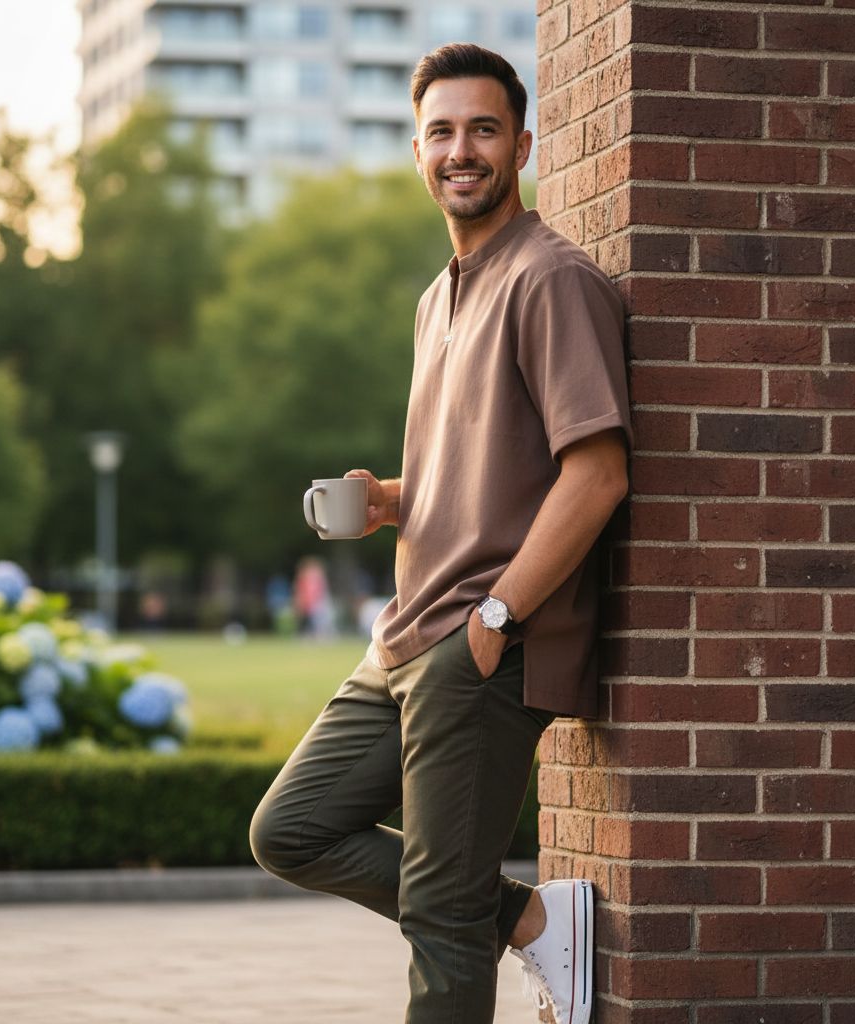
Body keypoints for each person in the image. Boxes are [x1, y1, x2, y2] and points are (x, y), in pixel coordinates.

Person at [250, 43, 632, 1024]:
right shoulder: (438, 297)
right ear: (419, 152)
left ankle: (494, 919)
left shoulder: (552, 279)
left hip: (481, 641)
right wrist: (391, 499)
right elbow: (487, 471)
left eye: (483, 129)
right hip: (406, 632)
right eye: (441, 132)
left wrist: (499, 617)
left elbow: (595, 474)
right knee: (290, 828)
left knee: (439, 918)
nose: (461, 149)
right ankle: (532, 920)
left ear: (522, 144)